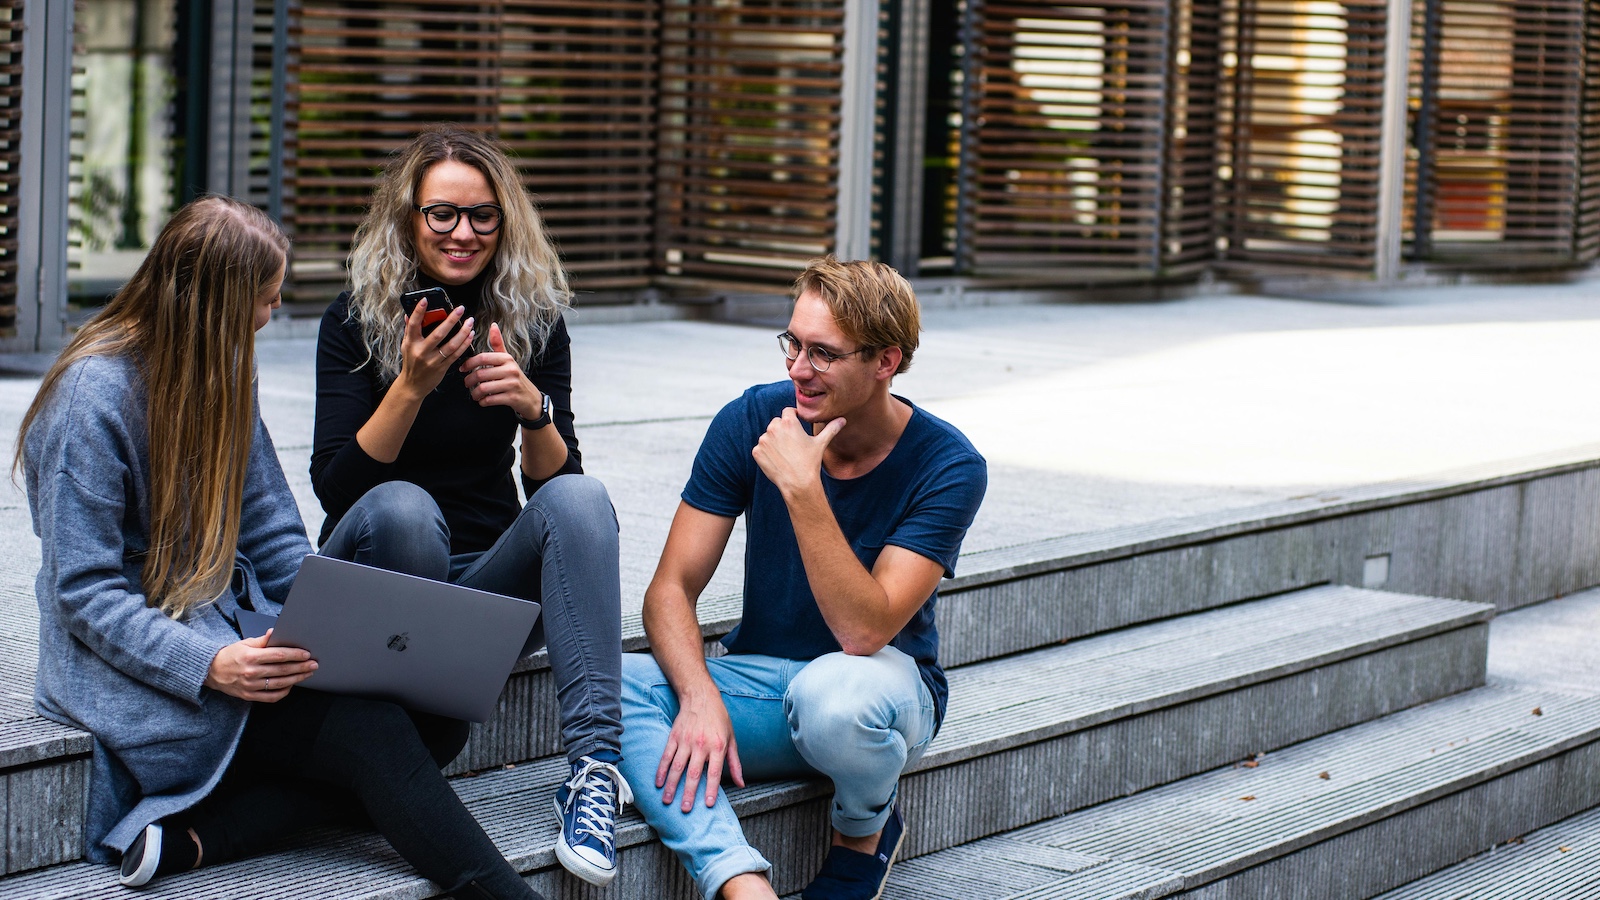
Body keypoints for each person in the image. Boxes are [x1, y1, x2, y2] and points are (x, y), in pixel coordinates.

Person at [16, 196, 544, 899]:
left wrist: (330, 624)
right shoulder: (92, 397)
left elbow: (271, 533)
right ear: (213, 302)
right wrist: (208, 664)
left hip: (234, 634)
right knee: (375, 734)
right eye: (263, 301)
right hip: (139, 667)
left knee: (438, 723)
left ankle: (203, 836)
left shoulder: (224, 368)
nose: (270, 316)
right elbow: (82, 594)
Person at [309, 126, 628, 887]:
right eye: (441, 214)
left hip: (482, 592)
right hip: (381, 574)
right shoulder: (353, 321)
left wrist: (533, 409)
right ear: (408, 218)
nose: (462, 233)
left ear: (505, 221)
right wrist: (411, 386)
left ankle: (593, 773)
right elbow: (337, 489)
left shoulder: (532, 318)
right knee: (405, 510)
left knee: (584, 499)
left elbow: (559, 496)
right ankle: (393, 748)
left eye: (482, 215)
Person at [617, 257, 988, 899]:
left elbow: (863, 630)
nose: (796, 369)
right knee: (612, 685)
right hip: (764, 679)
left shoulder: (949, 464)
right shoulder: (754, 418)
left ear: (885, 361)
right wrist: (700, 696)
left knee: (834, 697)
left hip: (880, 694)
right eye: (793, 343)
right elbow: (670, 587)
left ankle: (861, 834)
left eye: (823, 353)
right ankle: (737, 879)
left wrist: (801, 487)